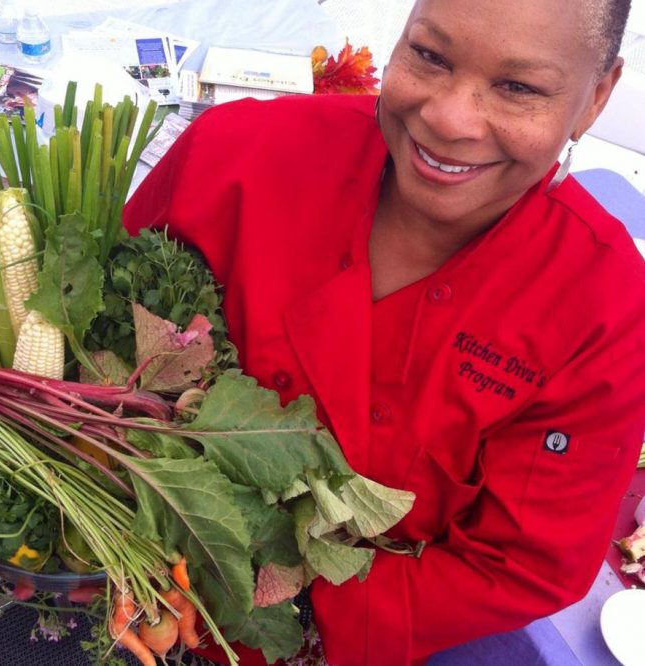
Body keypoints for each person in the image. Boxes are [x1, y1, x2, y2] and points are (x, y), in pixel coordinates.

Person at [123, 0, 645, 664]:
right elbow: (99, 347)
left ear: (596, 97)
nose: (448, 117)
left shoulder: (600, 305)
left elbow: (523, 564)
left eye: (518, 88)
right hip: (132, 563)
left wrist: (259, 602)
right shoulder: (238, 153)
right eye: (429, 55)